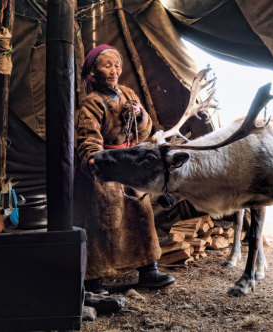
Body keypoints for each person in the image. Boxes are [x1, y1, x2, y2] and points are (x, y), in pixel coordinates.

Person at [73, 44, 175, 295]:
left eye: (116, 65)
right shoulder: (91, 103)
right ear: (94, 71)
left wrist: (140, 115)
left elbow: (145, 131)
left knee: (141, 214)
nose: (114, 70)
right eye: (107, 65)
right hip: (108, 166)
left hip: (131, 165)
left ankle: (148, 269)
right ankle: (94, 279)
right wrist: (94, 161)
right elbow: (87, 137)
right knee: (104, 221)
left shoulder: (128, 94)